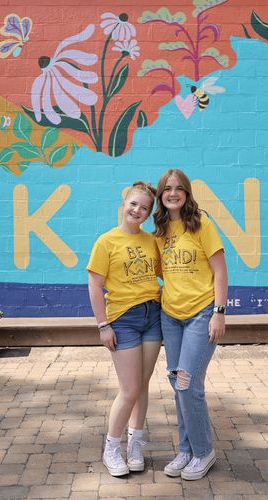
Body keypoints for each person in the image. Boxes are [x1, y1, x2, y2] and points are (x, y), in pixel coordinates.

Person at [153, 169, 228, 481]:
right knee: (177, 385)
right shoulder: (158, 231)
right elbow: (158, 271)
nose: (173, 193)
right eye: (167, 189)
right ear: (160, 195)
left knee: (187, 384)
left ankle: (203, 451)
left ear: (187, 193)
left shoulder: (201, 223)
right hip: (170, 316)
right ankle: (185, 450)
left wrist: (219, 312)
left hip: (201, 313)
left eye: (178, 188)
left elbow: (220, 270)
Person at [87, 182, 162, 477]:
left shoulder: (151, 241)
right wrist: (103, 325)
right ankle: (111, 447)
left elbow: (163, 273)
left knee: (142, 385)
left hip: (152, 316)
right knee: (129, 389)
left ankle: (135, 445)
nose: (138, 211)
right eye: (134, 204)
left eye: (144, 208)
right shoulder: (106, 241)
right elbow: (95, 285)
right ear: (123, 203)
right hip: (123, 319)